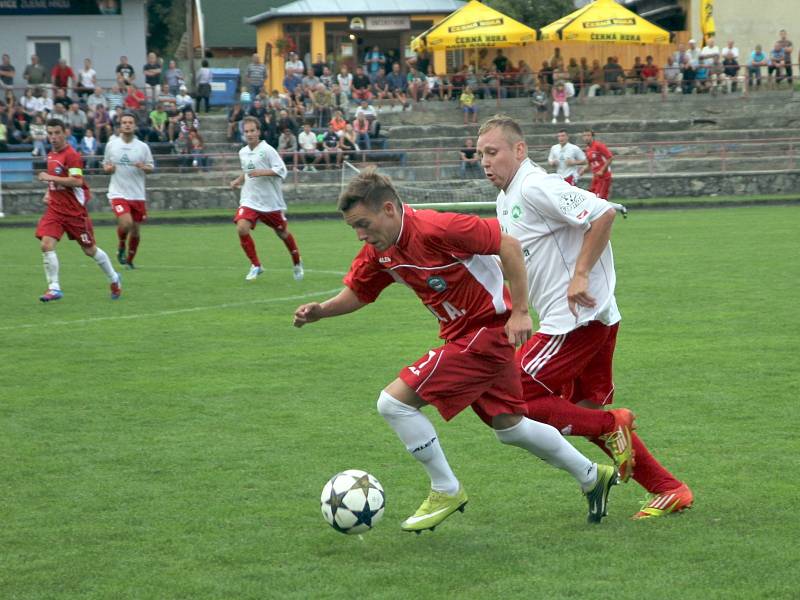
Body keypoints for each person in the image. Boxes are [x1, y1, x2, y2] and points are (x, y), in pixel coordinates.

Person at [293, 168, 619, 532]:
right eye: (354, 227)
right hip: (464, 336)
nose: (361, 234)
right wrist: (321, 311)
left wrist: (521, 312)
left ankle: (445, 488)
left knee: (394, 403)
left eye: (364, 224)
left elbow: (507, 244)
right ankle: (592, 476)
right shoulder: (379, 252)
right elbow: (360, 292)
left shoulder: (438, 228)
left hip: (485, 334)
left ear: (388, 208)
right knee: (510, 427)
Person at [477, 114, 693, 520]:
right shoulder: (506, 198)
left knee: (512, 396)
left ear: (519, 150)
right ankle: (670, 488)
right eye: (480, 155)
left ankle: (613, 424)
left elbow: (603, 212)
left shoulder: (536, 185)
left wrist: (578, 276)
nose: (486, 162)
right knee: (586, 410)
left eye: (493, 152)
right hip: (594, 317)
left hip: (574, 320)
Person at [35, 118, 122, 302]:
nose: (53, 137)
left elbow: (77, 181)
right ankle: (54, 288)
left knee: (90, 250)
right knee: (46, 244)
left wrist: (49, 178)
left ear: (65, 133)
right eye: (50, 133)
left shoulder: (72, 155)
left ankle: (114, 278)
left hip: (74, 212)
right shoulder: (51, 155)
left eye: (57, 133)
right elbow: (55, 180)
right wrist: (48, 192)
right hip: (55, 210)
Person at [229, 116, 304, 282]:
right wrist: (238, 181)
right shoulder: (243, 152)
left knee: (282, 233)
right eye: (246, 131)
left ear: (258, 131)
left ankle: (297, 262)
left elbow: (281, 170)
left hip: (270, 203)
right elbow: (247, 171)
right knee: (242, 228)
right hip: (250, 199)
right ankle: (256, 265)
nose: (249, 134)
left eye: (252, 131)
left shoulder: (268, 150)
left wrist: (262, 172)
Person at [103, 112, 154, 269]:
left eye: (130, 122)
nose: (127, 124)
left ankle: (130, 261)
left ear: (135, 125)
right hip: (117, 192)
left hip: (137, 194)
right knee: (126, 223)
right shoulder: (112, 145)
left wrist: (144, 167)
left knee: (136, 232)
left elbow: (151, 168)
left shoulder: (142, 147)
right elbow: (105, 166)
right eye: (124, 122)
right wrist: (109, 169)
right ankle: (121, 246)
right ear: (120, 125)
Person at [580, 129, 613, 200]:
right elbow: (590, 165)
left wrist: (602, 170)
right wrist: (583, 170)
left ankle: (619, 208)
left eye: (588, 135)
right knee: (593, 198)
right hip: (595, 177)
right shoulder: (587, 149)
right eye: (584, 136)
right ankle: (619, 208)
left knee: (599, 200)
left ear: (592, 136)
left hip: (604, 177)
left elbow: (610, 158)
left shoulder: (598, 145)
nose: (586, 137)